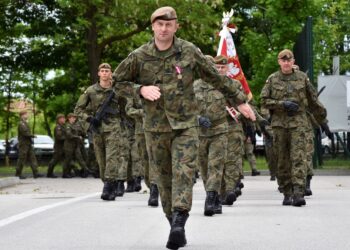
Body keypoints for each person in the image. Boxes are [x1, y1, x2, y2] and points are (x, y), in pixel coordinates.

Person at [112, 6, 256, 249]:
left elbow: (216, 78)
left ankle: (180, 219)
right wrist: (140, 90)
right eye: (160, 24)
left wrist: (239, 101)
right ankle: (173, 222)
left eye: (169, 24)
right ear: (153, 27)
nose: (164, 28)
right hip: (155, 128)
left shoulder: (189, 52)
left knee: (184, 172)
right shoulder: (139, 56)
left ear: (176, 26)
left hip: (186, 126)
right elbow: (117, 83)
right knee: (164, 179)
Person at [260, 49, 329, 207]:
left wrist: (323, 121)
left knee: (298, 157)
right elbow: (264, 101)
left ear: (293, 61)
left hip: (299, 123)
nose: (286, 63)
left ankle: (298, 191)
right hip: (279, 125)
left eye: (289, 60)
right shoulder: (272, 79)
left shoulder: (302, 78)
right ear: (279, 62)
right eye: (283, 60)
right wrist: (281, 104)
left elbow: (313, 101)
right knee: (282, 159)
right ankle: (286, 191)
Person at [75, 63, 127, 201]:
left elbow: (125, 108)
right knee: (101, 159)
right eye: (102, 71)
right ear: (99, 74)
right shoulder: (91, 91)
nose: (104, 73)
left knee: (112, 157)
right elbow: (78, 110)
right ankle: (109, 184)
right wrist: (89, 119)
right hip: (97, 129)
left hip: (114, 128)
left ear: (111, 74)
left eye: (107, 71)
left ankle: (108, 187)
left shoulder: (117, 90)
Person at [193, 55, 228, 216]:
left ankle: (211, 198)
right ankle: (215, 196)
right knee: (204, 167)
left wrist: (259, 120)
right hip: (200, 133)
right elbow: (183, 108)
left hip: (219, 130)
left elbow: (240, 101)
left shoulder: (222, 84)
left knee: (215, 165)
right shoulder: (193, 86)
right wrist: (197, 118)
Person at [15, 111, 43, 179]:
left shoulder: (25, 123)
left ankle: (36, 173)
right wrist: (32, 135)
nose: (27, 115)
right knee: (22, 159)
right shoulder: (21, 124)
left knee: (32, 158)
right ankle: (18, 174)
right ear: (22, 115)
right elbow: (25, 133)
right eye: (25, 114)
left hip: (28, 144)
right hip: (23, 144)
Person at [62, 113, 89, 178]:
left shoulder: (75, 125)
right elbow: (69, 135)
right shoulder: (68, 126)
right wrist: (77, 137)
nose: (74, 119)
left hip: (75, 145)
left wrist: (82, 133)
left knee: (80, 158)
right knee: (68, 160)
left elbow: (81, 133)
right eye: (73, 118)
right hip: (69, 146)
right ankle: (65, 173)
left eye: (75, 118)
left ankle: (86, 170)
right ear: (69, 118)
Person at [47, 114, 66, 178]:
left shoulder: (63, 126)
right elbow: (59, 137)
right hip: (58, 147)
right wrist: (67, 138)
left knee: (65, 160)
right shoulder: (58, 127)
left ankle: (65, 173)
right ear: (59, 120)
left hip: (63, 146)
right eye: (62, 118)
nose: (64, 119)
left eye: (64, 118)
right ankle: (49, 173)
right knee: (55, 160)